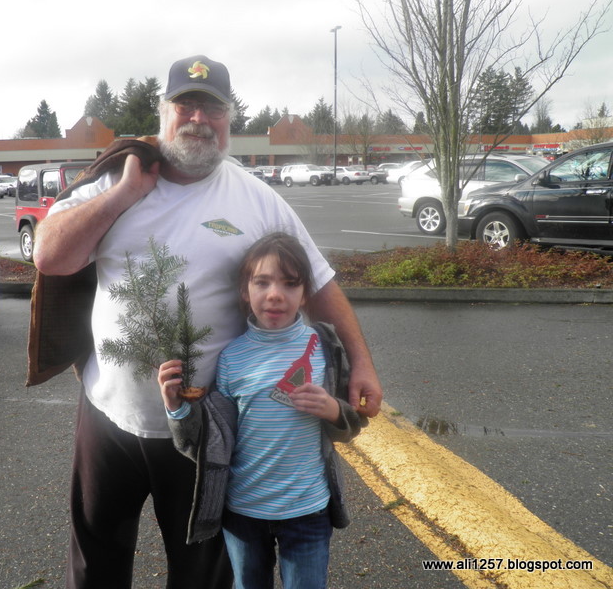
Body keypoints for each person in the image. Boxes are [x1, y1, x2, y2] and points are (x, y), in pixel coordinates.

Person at [33, 54, 383, 589]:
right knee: (96, 561)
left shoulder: (255, 198)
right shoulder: (115, 181)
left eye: (213, 109)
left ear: (229, 121)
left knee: (201, 574)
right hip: (109, 414)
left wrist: (361, 362)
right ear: (163, 113)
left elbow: (315, 281)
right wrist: (125, 194)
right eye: (186, 105)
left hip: (205, 427)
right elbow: (49, 257)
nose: (199, 119)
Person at [158, 232, 367, 589]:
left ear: (305, 294)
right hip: (244, 512)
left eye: (290, 283)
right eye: (262, 282)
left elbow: (351, 427)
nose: (275, 294)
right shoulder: (231, 358)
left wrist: (334, 410)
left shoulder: (324, 348)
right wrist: (176, 409)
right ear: (245, 291)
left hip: (308, 509)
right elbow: (211, 444)